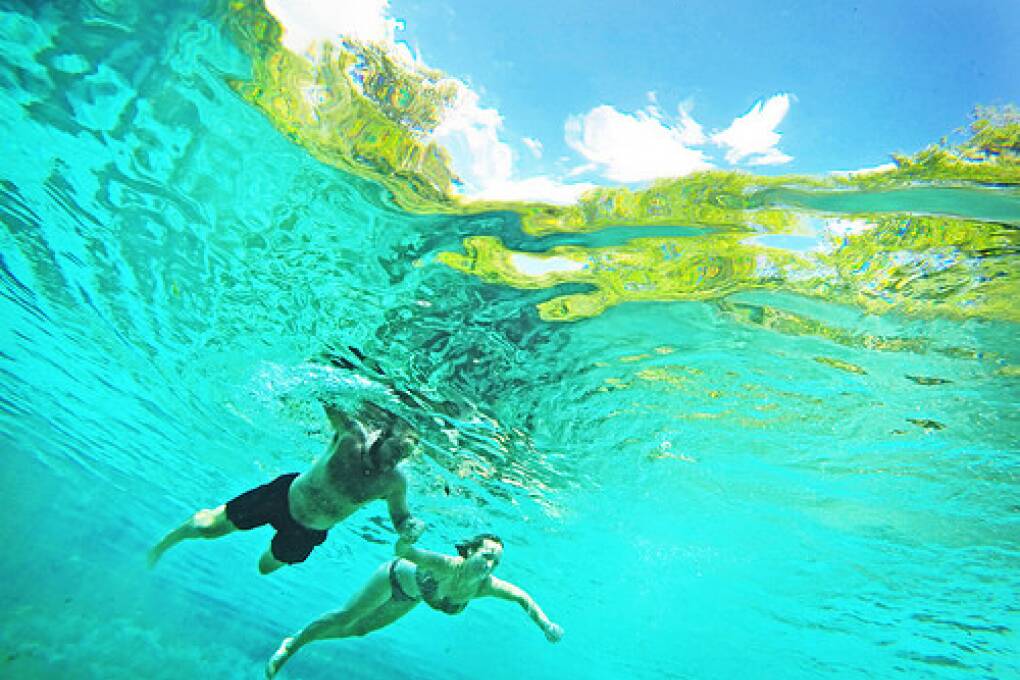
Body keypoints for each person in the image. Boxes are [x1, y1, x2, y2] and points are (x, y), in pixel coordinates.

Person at [148, 401, 426, 575]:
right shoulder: (350, 436)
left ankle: (278, 551)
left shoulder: (394, 483)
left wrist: (409, 527)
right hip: (281, 497)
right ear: (383, 434)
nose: (395, 460)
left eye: (403, 456)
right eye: (396, 449)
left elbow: (400, 517)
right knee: (207, 529)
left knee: (265, 568)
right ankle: (169, 540)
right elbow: (326, 394)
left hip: (308, 532)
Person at [264, 533, 563, 677]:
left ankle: (300, 640)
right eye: (486, 556)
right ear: (469, 551)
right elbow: (406, 551)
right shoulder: (444, 564)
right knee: (347, 617)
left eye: (495, 562)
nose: (490, 565)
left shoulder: (485, 587)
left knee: (360, 630)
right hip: (391, 576)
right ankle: (292, 645)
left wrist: (545, 624)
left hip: (409, 596)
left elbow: (523, 598)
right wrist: (407, 538)